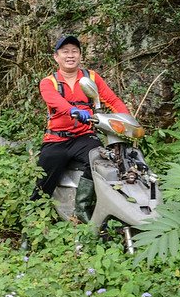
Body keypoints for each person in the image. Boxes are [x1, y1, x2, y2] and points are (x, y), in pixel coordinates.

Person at [32, 35, 131, 222]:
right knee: (44, 179)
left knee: (100, 162)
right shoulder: (48, 82)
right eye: (65, 52)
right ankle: (32, 223)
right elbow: (57, 103)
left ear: (80, 55)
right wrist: (73, 110)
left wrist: (126, 120)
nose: (70, 55)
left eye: (74, 51)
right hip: (57, 139)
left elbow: (112, 100)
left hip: (84, 136)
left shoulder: (91, 77)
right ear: (56, 57)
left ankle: (83, 208)